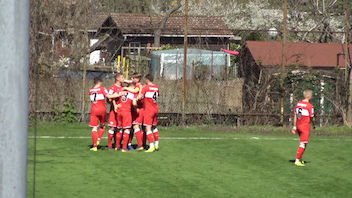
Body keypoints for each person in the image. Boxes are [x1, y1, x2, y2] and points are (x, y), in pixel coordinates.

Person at [88, 77, 119, 151]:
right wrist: (118, 94)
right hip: (102, 109)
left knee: (94, 128)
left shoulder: (90, 91)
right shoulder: (102, 89)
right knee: (102, 125)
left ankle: (95, 146)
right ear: (99, 82)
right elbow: (109, 96)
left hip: (94, 110)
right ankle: (98, 139)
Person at [291, 89, 315, 167]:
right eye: (311, 95)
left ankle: (299, 158)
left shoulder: (298, 104)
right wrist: (314, 124)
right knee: (302, 143)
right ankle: (297, 160)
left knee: (304, 142)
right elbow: (312, 117)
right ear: (309, 96)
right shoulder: (309, 106)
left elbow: (295, 115)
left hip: (298, 125)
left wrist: (294, 126)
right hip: (305, 126)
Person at [139, 74, 159, 152]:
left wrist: (141, 89)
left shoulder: (146, 88)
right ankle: (156, 144)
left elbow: (139, 97)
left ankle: (151, 146)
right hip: (155, 109)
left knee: (148, 127)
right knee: (154, 127)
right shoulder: (156, 87)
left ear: (147, 80)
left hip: (148, 110)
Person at [123, 73, 144, 151]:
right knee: (131, 127)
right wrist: (122, 80)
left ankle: (140, 145)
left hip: (137, 108)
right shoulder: (134, 83)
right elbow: (128, 81)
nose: (133, 79)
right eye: (133, 78)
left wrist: (126, 88)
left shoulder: (139, 85)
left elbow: (135, 91)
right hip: (133, 108)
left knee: (135, 126)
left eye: (135, 78)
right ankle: (129, 144)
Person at [115, 82, 137, 152]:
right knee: (127, 129)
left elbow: (114, 98)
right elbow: (134, 103)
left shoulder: (121, 92)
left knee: (119, 129)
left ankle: (117, 146)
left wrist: (116, 105)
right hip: (127, 112)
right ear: (131, 87)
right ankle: (124, 148)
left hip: (119, 111)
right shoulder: (132, 94)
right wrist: (136, 108)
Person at [107, 73, 126, 150]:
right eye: (122, 77)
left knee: (119, 128)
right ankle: (109, 145)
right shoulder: (113, 87)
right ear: (117, 79)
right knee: (112, 127)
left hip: (121, 111)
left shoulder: (123, 88)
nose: (123, 79)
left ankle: (117, 145)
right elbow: (109, 98)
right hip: (114, 111)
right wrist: (115, 104)